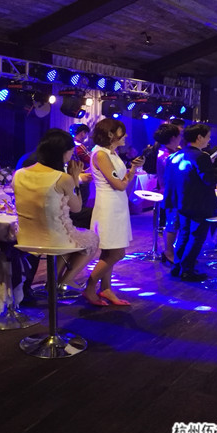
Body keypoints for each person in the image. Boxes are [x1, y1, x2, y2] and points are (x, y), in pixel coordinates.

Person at [13, 129, 99, 298]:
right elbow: (77, 208)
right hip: (52, 238)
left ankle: (52, 283)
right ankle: (65, 281)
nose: (71, 156)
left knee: (72, 233)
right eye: (71, 152)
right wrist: (75, 179)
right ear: (63, 152)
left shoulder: (19, 174)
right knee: (92, 238)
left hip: (23, 236)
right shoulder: (62, 177)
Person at [83, 119, 145, 305]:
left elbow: (121, 181)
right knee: (117, 253)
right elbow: (119, 184)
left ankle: (106, 289)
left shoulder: (111, 152)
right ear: (110, 134)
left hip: (117, 204)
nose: (125, 135)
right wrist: (130, 174)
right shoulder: (101, 154)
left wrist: (132, 169)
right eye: (121, 132)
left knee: (109, 252)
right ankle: (89, 286)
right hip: (109, 206)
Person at [168, 123, 217, 281]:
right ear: (199, 137)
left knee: (184, 234)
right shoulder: (201, 156)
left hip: (182, 201)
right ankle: (187, 270)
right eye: (207, 137)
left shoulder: (177, 155)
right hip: (199, 202)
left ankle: (178, 266)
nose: (209, 140)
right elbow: (208, 178)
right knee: (196, 237)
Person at [153, 122, 181, 265]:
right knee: (173, 223)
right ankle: (168, 252)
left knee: (175, 222)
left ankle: (172, 251)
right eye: (179, 134)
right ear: (173, 137)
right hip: (172, 192)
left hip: (174, 191)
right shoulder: (166, 155)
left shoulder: (169, 153)